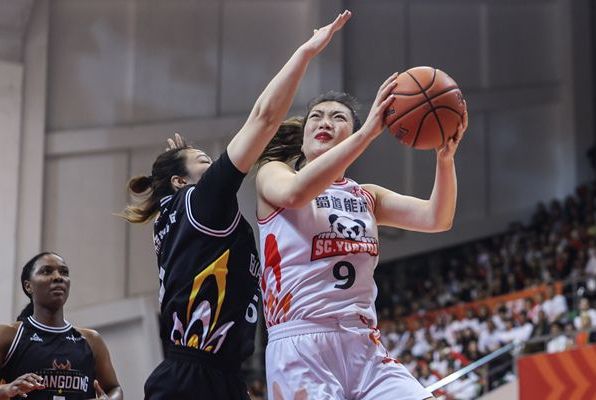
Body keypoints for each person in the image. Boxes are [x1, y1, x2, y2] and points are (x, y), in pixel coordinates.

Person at [120, 10, 353, 400]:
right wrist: (306, 53)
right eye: (205, 162)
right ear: (181, 181)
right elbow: (263, 118)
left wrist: (178, 166)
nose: (215, 167)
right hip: (195, 377)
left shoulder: (179, 210)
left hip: (214, 373)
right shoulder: (200, 203)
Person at [255, 78, 467, 398]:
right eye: (316, 116)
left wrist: (445, 160)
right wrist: (368, 132)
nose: (325, 122)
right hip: (301, 343)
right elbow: (295, 194)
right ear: (302, 139)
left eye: (338, 117)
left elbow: (437, 218)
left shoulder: (367, 196)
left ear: (351, 135)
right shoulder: (274, 173)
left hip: (363, 343)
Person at [0, 252, 123, 400]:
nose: (58, 277)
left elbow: (114, 388)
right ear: (28, 286)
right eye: (46, 271)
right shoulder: (9, 335)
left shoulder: (91, 340)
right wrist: (7, 389)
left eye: (64, 272)